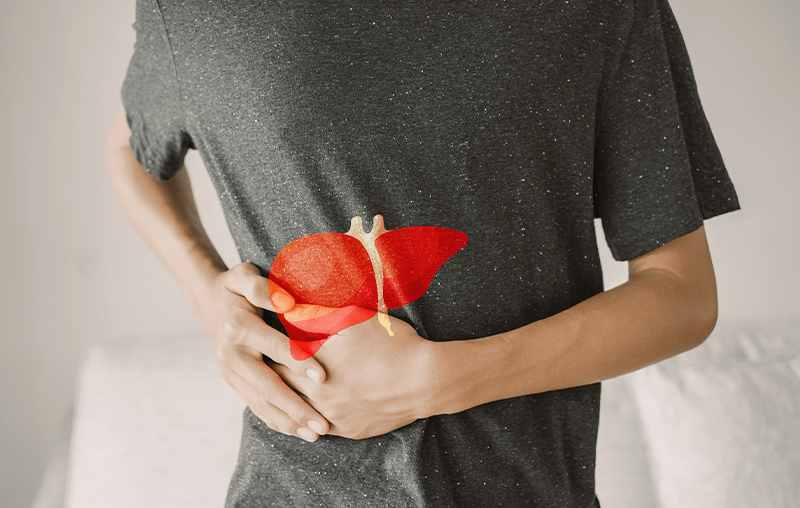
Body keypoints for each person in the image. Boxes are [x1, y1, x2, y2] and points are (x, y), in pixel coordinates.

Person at [108, 0, 739, 506]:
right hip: (295, 487)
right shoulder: (193, 11)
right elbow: (131, 148)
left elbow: (683, 294)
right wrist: (209, 299)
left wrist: (437, 382)